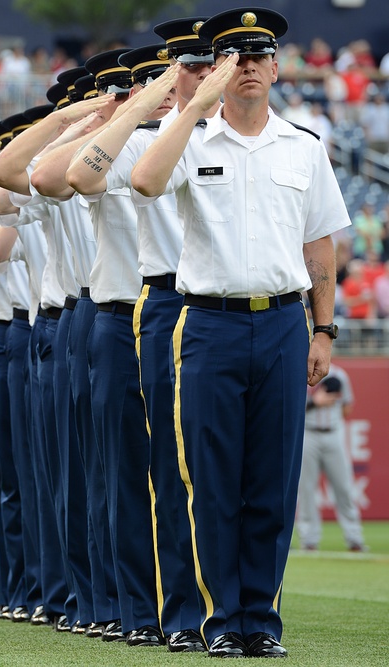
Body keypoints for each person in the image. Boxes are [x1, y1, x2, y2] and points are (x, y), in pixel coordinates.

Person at [130, 8, 351, 658]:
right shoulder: (190, 139)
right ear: (221, 68)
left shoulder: (304, 146)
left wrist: (325, 329)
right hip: (208, 323)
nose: (250, 66)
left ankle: (262, 619)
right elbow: (144, 180)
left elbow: (320, 246)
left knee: (273, 483)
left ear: (278, 67)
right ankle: (220, 618)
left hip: (284, 322)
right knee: (212, 478)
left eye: (259, 55)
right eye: (236, 57)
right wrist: (194, 102)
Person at [297, 365, 366, 552]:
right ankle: (309, 540)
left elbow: (347, 406)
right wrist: (315, 402)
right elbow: (291, 409)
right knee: (306, 490)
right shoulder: (299, 370)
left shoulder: (339, 375)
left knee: (344, 487)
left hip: (333, 432)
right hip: (307, 433)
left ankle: (355, 539)